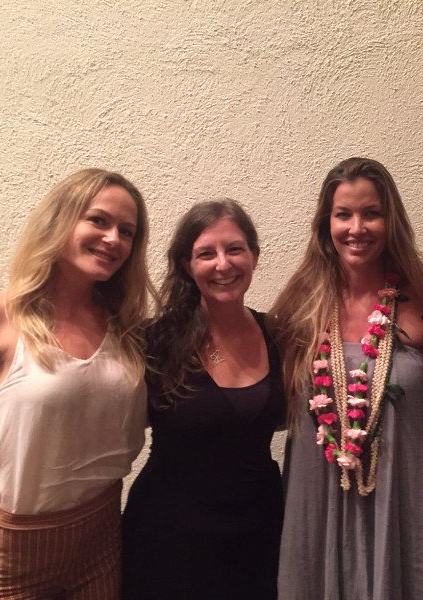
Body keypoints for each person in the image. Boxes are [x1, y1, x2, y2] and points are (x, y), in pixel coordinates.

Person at [0, 169, 153, 599]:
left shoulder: (129, 332)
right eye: (99, 221)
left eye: (127, 231)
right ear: (60, 220)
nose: (113, 239)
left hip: (101, 539)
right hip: (12, 549)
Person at [271, 157, 423, 599]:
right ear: (325, 221)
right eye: (343, 214)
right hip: (316, 492)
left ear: (391, 219)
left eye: (371, 213)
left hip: (399, 492)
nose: (356, 227)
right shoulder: (302, 298)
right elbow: (256, 388)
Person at [120, 199, 285, 599]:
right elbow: (96, 417)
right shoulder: (153, 341)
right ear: (185, 265)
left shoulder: (280, 335)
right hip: (168, 541)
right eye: (206, 253)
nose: (223, 264)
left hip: (257, 535)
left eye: (234, 249)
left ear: (255, 256)